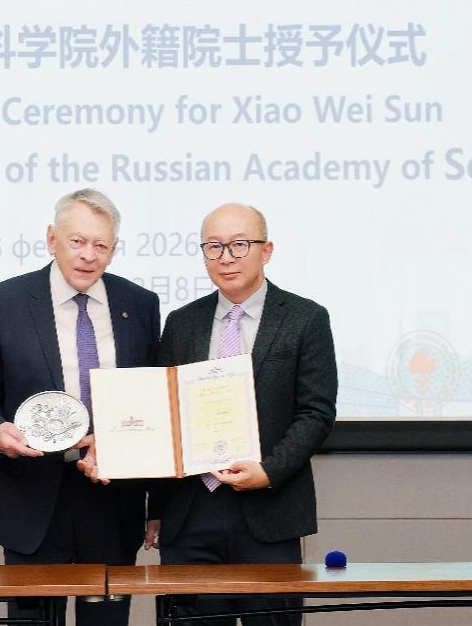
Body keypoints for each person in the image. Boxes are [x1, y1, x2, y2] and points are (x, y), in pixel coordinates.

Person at [0, 188, 160, 626]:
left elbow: (153, 401)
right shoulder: (4, 302)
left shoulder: (140, 305)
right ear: (52, 239)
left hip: (113, 500)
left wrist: (157, 500)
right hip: (32, 498)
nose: (89, 255)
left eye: (101, 245)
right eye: (77, 241)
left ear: (114, 249)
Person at [150, 202, 337, 626]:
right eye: (213, 246)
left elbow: (316, 412)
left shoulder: (305, 319)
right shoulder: (182, 322)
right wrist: (155, 506)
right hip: (190, 513)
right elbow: (165, 415)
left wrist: (268, 471)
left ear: (266, 250)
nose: (226, 257)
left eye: (239, 244)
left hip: (269, 512)